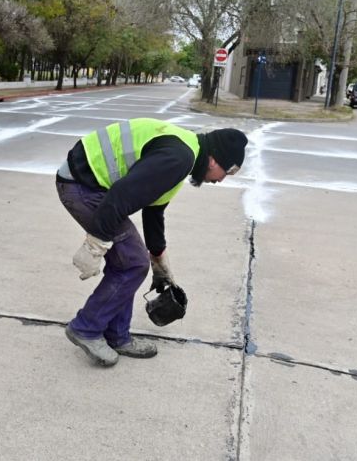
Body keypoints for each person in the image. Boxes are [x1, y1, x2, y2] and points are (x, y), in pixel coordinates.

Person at [56, 118, 248, 367]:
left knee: (129, 262)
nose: (222, 180)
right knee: (133, 263)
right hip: (82, 184)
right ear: (215, 159)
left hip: (90, 183)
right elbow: (121, 195)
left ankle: (117, 336)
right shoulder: (179, 158)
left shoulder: (184, 155)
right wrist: (95, 245)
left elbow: (154, 211)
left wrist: (159, 261)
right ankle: (86, 328)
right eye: (228, 172)